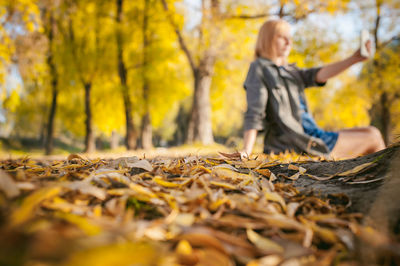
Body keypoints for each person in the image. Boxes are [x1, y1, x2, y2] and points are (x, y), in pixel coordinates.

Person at [241, 19, 385, 159]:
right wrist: (247, 150)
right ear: (267, 40)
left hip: (312, 134)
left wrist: (354, 59)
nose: (288, 42)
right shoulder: (259, 68)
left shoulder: (291, 72)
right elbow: (254, 113)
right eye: (281, 37)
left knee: (371, 131)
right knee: (373, 138)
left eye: (289, 38)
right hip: (297, 142)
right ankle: (391, 182)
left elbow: (320, 74)